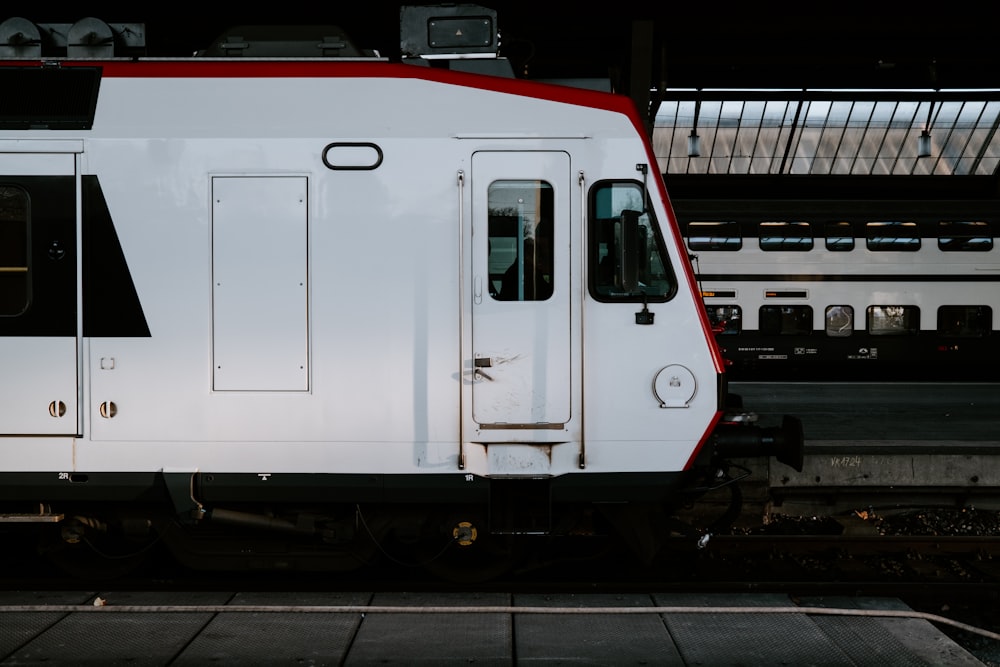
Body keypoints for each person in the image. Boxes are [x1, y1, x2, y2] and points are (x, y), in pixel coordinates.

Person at [498, 221, 553, 301]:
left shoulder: (514, 270)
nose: (539, 258)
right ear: (527, 255)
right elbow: (542, 291)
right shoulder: (525, 271)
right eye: (536, 254)